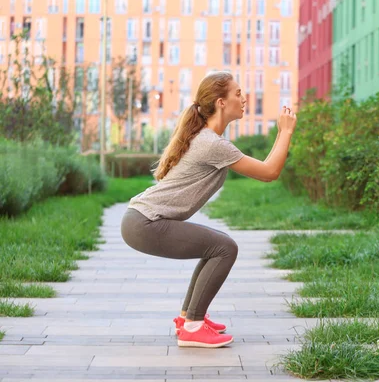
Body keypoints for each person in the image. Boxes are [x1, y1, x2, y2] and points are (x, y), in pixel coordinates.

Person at [120, 71, 297, 348]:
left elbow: (266, 169)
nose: (244, 98)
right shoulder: (211, 144)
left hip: (140, 220)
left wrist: (280, 133)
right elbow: (270, 172)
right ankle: (193, 326)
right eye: (237, 93)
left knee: (214, 245)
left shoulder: (207, 139)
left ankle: (188, 319)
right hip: (146, 222)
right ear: (221, 102)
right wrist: (286, 131)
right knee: (224, 247)